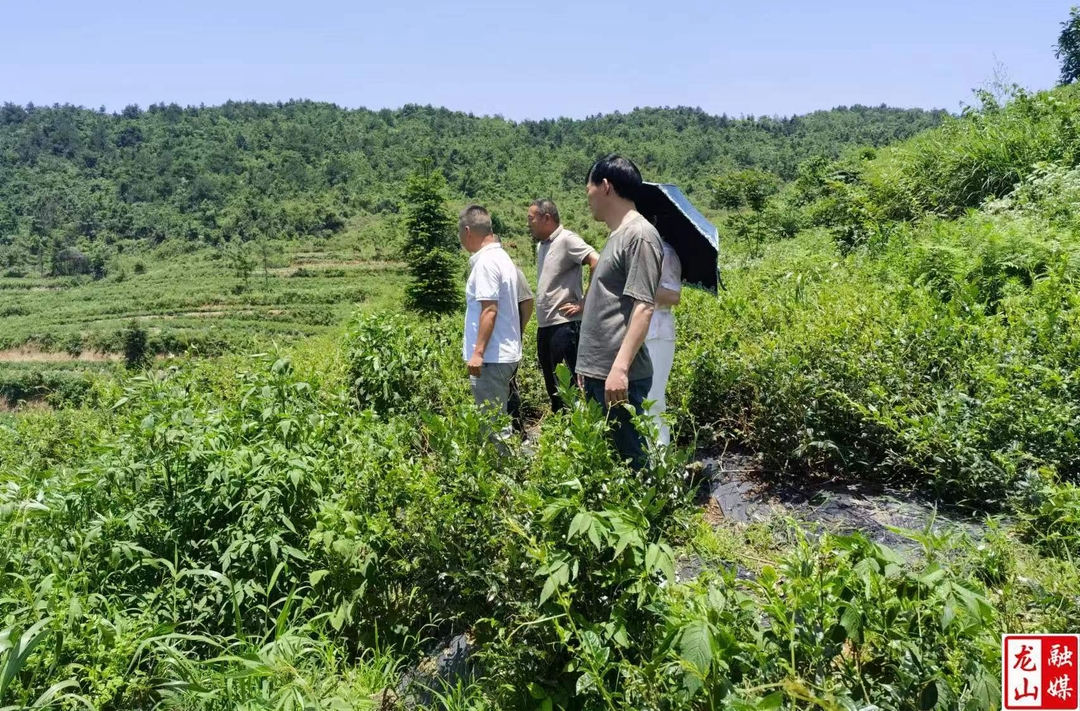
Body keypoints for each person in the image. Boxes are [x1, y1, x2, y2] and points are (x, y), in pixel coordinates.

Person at [575, 155, 663, 470]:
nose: (588, 199)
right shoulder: (617, 236)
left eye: (589, 190)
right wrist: (589, 366)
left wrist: (620, 369)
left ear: (606, 187)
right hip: (602, 373)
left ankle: (647, 520)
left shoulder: (640, 234)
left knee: (631, 466)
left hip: (618, 377)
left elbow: (644, 307)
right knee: (611, 465)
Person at [527, 199, 599, 412]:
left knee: (569, 388)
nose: (528, 223)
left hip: (564, 326)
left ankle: (576, 434)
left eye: (531, 218)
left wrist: (585, 302)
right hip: (546, 326)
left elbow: (596, 261)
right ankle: (560, 435)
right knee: (553, 387)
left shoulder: (567, 240)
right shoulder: (542, 245)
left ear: (546, 218)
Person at [459, 204, 523, 440]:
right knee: (498, 420)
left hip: (491, 359)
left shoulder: (486, 263)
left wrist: (478, 353)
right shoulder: (502, 257)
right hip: (502, 355)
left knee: (493, 427)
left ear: (467, 231)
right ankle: (506, 469)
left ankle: (501, 474)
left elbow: (489, 310)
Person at [644, 230, 682, 447]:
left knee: (654, 399)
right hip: (641, 331)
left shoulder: (665, 252)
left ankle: (659, 462)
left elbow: (673, 295)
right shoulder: (642, 251)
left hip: (657, 331)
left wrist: (640, 285)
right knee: (641, 399)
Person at [507, 265, 534, 436]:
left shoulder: (514, 272)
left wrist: (519, 330)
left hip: (508, 343)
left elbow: (527, 301)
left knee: (508, 386)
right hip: (494, 344)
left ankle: (518, 432)